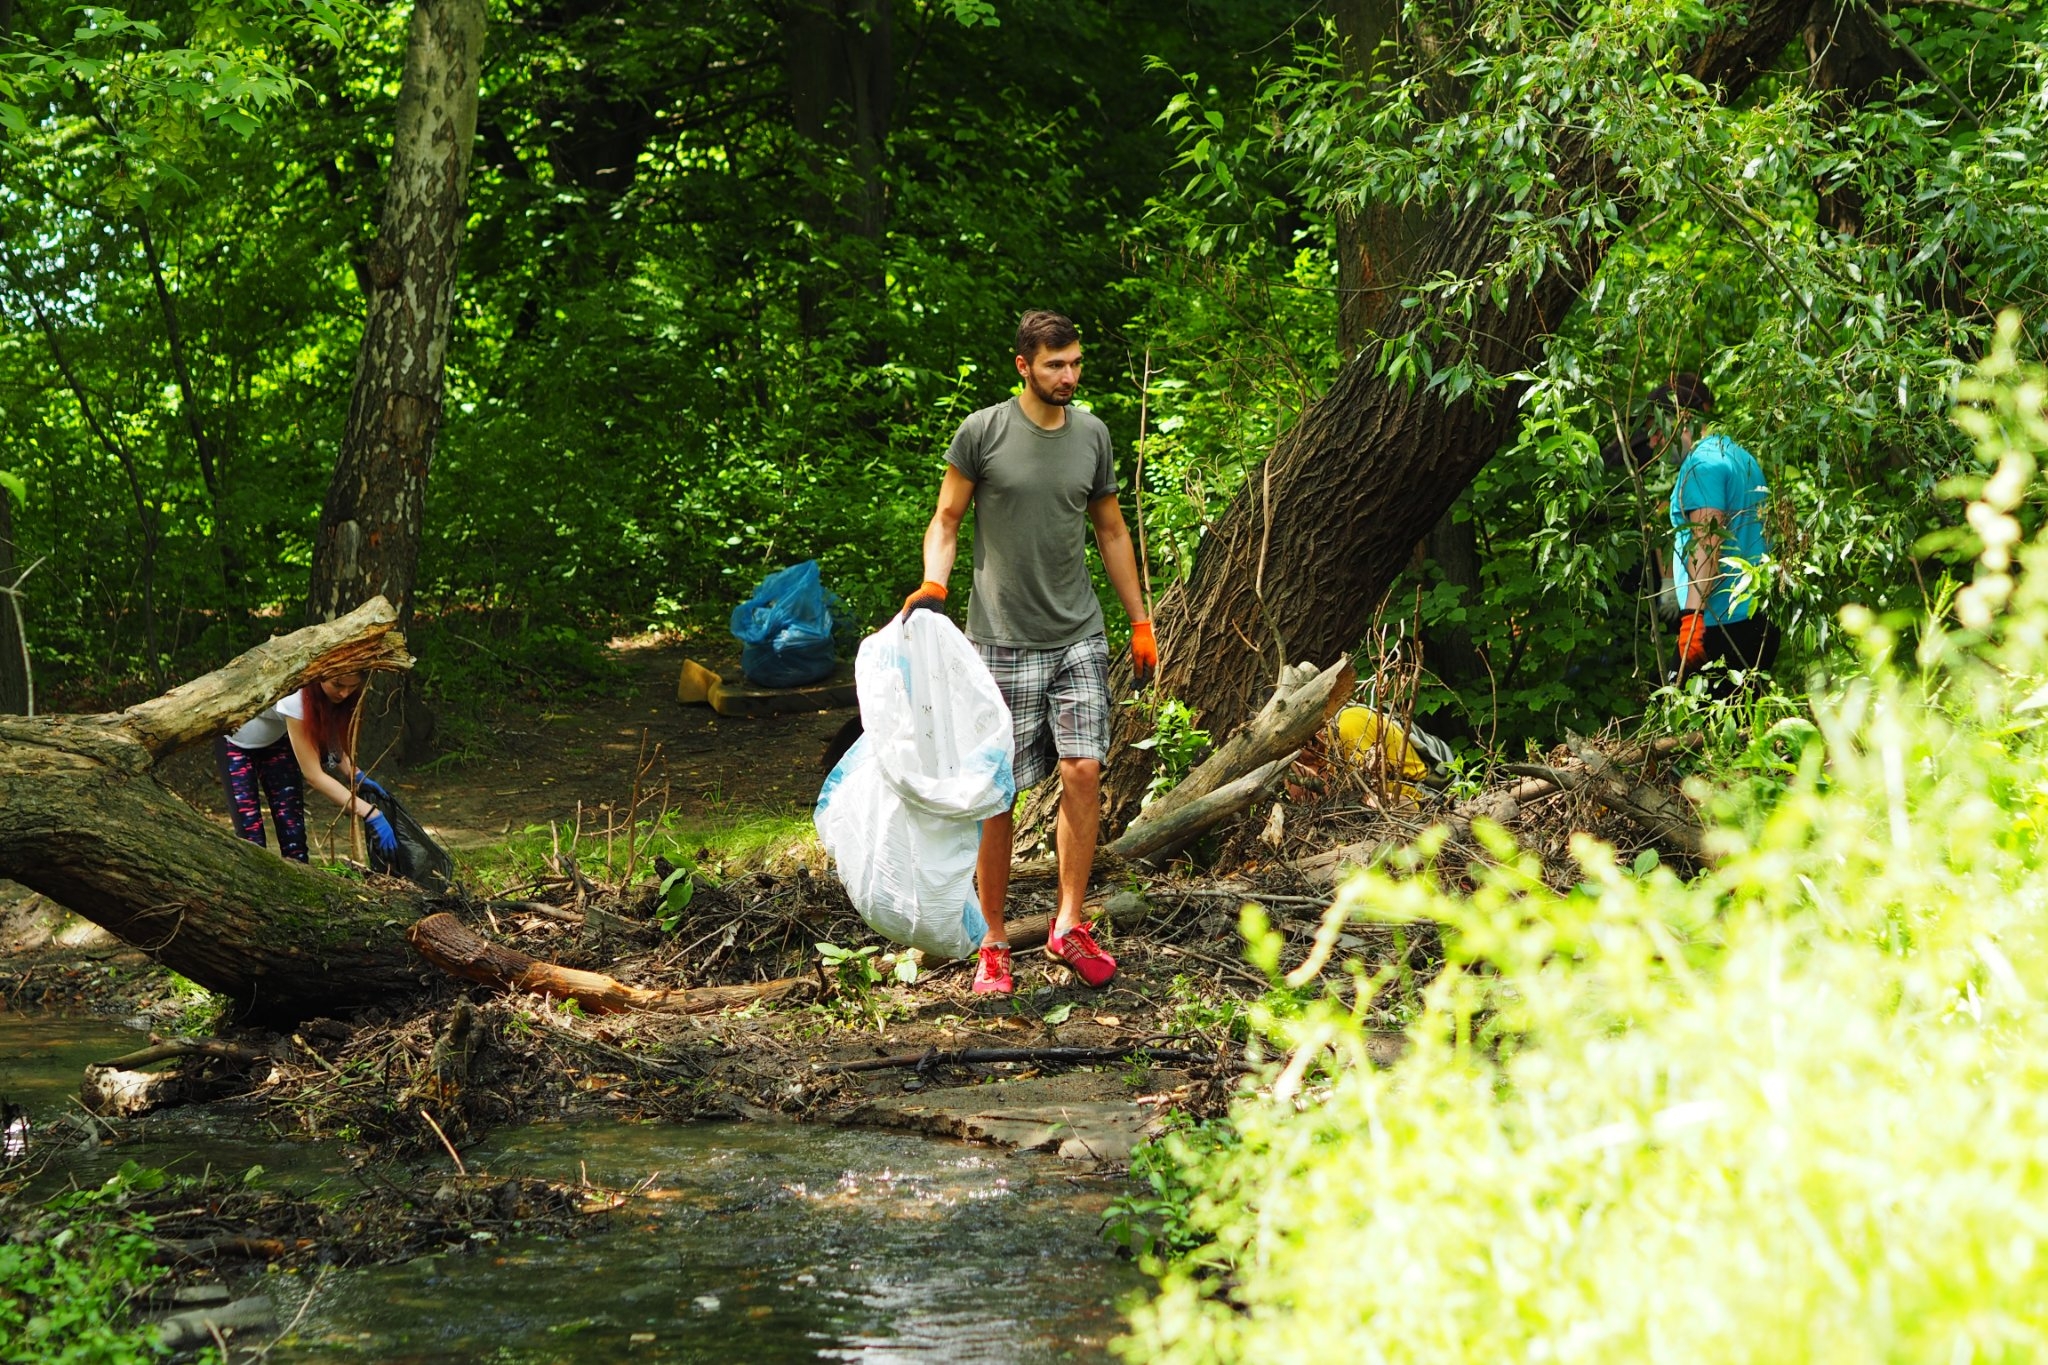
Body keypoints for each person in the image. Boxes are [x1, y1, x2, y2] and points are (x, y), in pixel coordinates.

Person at [904, 310, 1155, 997]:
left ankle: (1068, 924)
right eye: (1055, 365)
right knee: (999, 793)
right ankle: (991, 940)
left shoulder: (1093, 437)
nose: (1069, 376)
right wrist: (934, 583)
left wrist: (1140, 619)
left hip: (1078, 633)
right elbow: (947, 518)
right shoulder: (983, 432)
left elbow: (1109, 530)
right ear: (1023, 365)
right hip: (1000, 641)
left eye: (1075, 363)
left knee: (1082, 770)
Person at [1647, 374, 1779, 687]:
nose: (1653, 442)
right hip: (1758, 618)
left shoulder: (1701, 466)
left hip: (1721, 624)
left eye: (1657, 430)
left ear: (1685, 418)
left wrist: (1691, 619)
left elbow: (1707, 540)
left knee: (1668, 702)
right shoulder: (1737, 455)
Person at [217, 673, 395, 863]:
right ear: (320, 676)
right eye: (337, 685)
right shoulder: (297, 696)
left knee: (294, 838)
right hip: (235, 744)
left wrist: (355, 774)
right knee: (251, 839)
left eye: (352, 687)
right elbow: (314, 775)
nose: (344, 693)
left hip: (277, 742)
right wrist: (370, 813)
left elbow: (329, 731)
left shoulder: (332, 694)